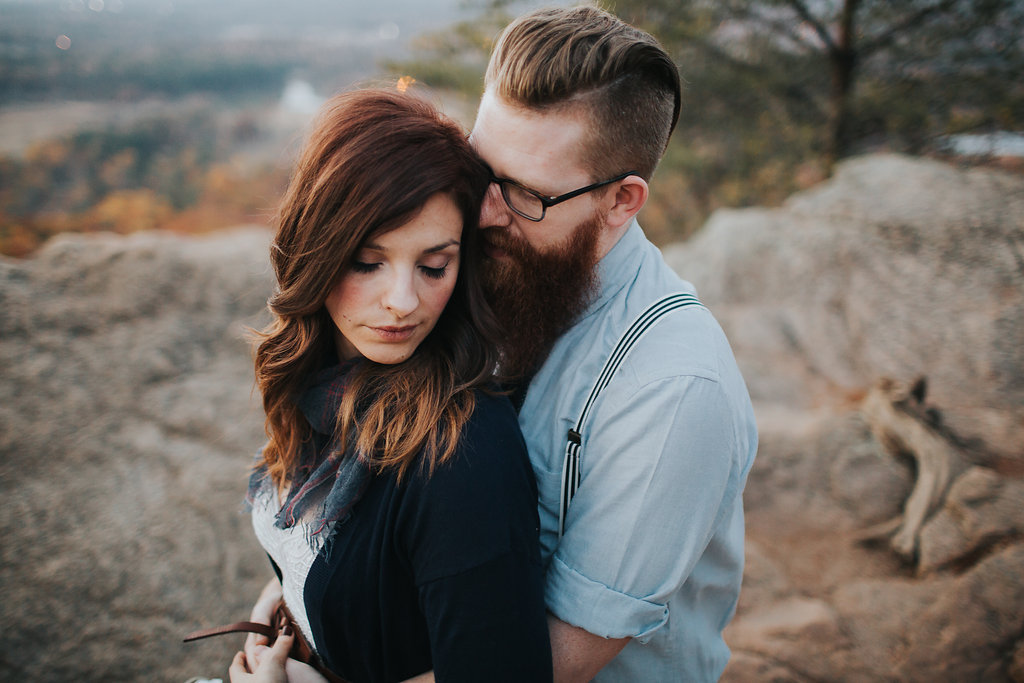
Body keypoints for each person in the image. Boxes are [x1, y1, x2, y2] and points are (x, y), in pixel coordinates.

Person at [469, 6, 758, 682]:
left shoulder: (674, 390)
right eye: (477, 166)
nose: (483, 210)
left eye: (523, 193)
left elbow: (552, 663)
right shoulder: (486, 261)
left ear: (622, 201)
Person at [228, 88, 552, 683]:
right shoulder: (324, 388)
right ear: (315, 251)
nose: (403, 303)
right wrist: (288, 606)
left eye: (434, 266)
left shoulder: (462, 454)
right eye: (366, 262)